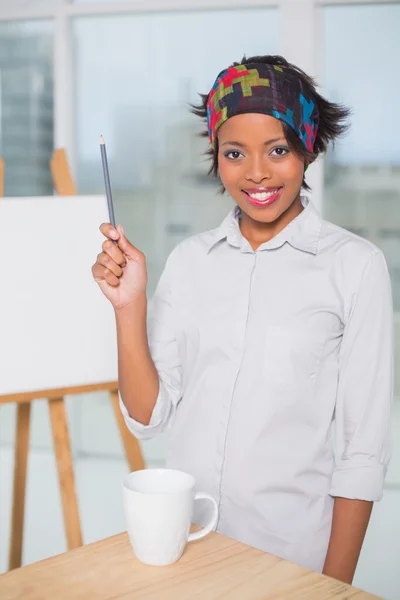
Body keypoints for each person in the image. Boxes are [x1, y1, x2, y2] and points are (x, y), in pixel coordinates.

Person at [92, 55, 393, 583]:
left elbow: (363, 451)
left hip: (291, 560)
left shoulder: (355, 266)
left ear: (308, 149)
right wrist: (128, 308)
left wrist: (333, 587)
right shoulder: (189, 262)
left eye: (277, 150)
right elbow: (148, 418)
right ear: (217, 157)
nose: (256, 173)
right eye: (235, 153)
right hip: (185, 548)